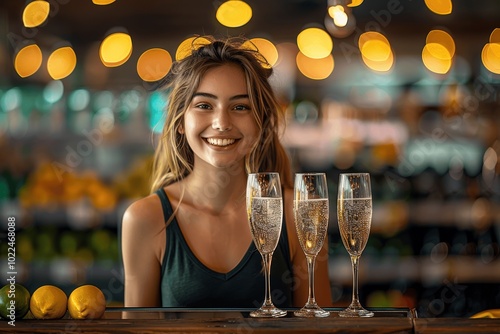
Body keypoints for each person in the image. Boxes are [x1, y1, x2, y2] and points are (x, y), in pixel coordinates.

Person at [122, 36, 332, 308]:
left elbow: (321, 327)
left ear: (261, 123)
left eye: (240, 107)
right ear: (180, 122)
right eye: (204, 105)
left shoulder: (298, 213)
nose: (222, 123)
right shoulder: (145, 219)